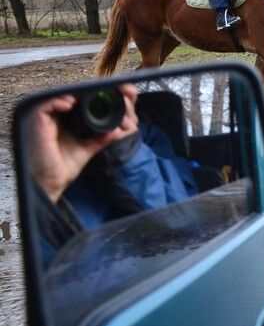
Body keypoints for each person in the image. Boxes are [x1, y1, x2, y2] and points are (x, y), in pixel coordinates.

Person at [27, 85, 198, 264]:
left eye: (104, 101)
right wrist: (45, 188)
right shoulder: (42, 146)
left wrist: (128, 151)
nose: (95, 109)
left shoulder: (149, 139)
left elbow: (185, 227)